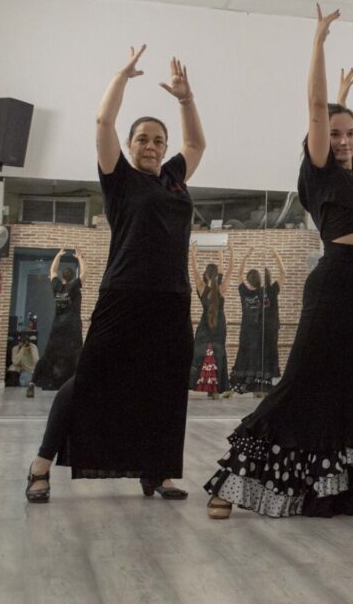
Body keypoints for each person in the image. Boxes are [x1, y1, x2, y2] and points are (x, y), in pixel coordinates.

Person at [204, 6, 353, 520]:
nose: (344, 141)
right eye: (336, 133)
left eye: (350, 134)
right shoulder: (319, 172)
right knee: (302, 381)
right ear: (320, 138)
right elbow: (317, 106)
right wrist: (319, 42)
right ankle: (233, 482)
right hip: (335, 284)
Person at [25, 47, 205, 503]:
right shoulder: (119, 177)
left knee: (164, 386)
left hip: (172, 299)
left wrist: (186, 101)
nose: (151, 146)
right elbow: (103, 123)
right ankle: (41, 463)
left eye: (158, 141)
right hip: (124, 295)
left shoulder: (175, 180)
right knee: (88, 379)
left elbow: (197, 144)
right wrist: (121, 77)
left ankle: (158, 472)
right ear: (130, 145)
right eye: (142, 139)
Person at [30, 247, 86, 396]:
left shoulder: (57, 286)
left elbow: (52, 271)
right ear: (73, 277)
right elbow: (85, 274)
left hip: (58, 326)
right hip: (72, 326)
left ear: (63, 277)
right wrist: (80, 257)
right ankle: (76, 383)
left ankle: (37, 381)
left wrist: (58, 255)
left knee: (51, 353)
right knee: (75, 353)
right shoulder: (74, 286)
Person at [189, 241, 234, 399]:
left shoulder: (202, 287)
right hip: (219, 325)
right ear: (216, 276)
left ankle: (205, 385)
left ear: (206, 275)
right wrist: (230, 252)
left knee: (201, 354)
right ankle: (214, 389)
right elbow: (229, 271)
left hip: (205, 325)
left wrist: (193, 255)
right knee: (218, 354)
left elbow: (193, 270)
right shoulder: (222, 289)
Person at [230, 247, 268, 396]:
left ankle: (240, 384)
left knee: (243, 355)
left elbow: (238, 274)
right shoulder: (262, 292)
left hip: (245, 330)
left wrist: (245, 256)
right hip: (257, 330)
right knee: (255, 357)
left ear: (248, 279)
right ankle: (254, 388)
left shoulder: (244, 291)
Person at [260, 249, 286, 387]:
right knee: (271, 350)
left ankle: (266, 378)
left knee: (263, 351)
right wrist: (277, 256)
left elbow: (282, 274)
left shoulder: (261, 291)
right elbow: (283, 273)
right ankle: (271, 377)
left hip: (265, 325)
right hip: (272, 325)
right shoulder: (272, 289)